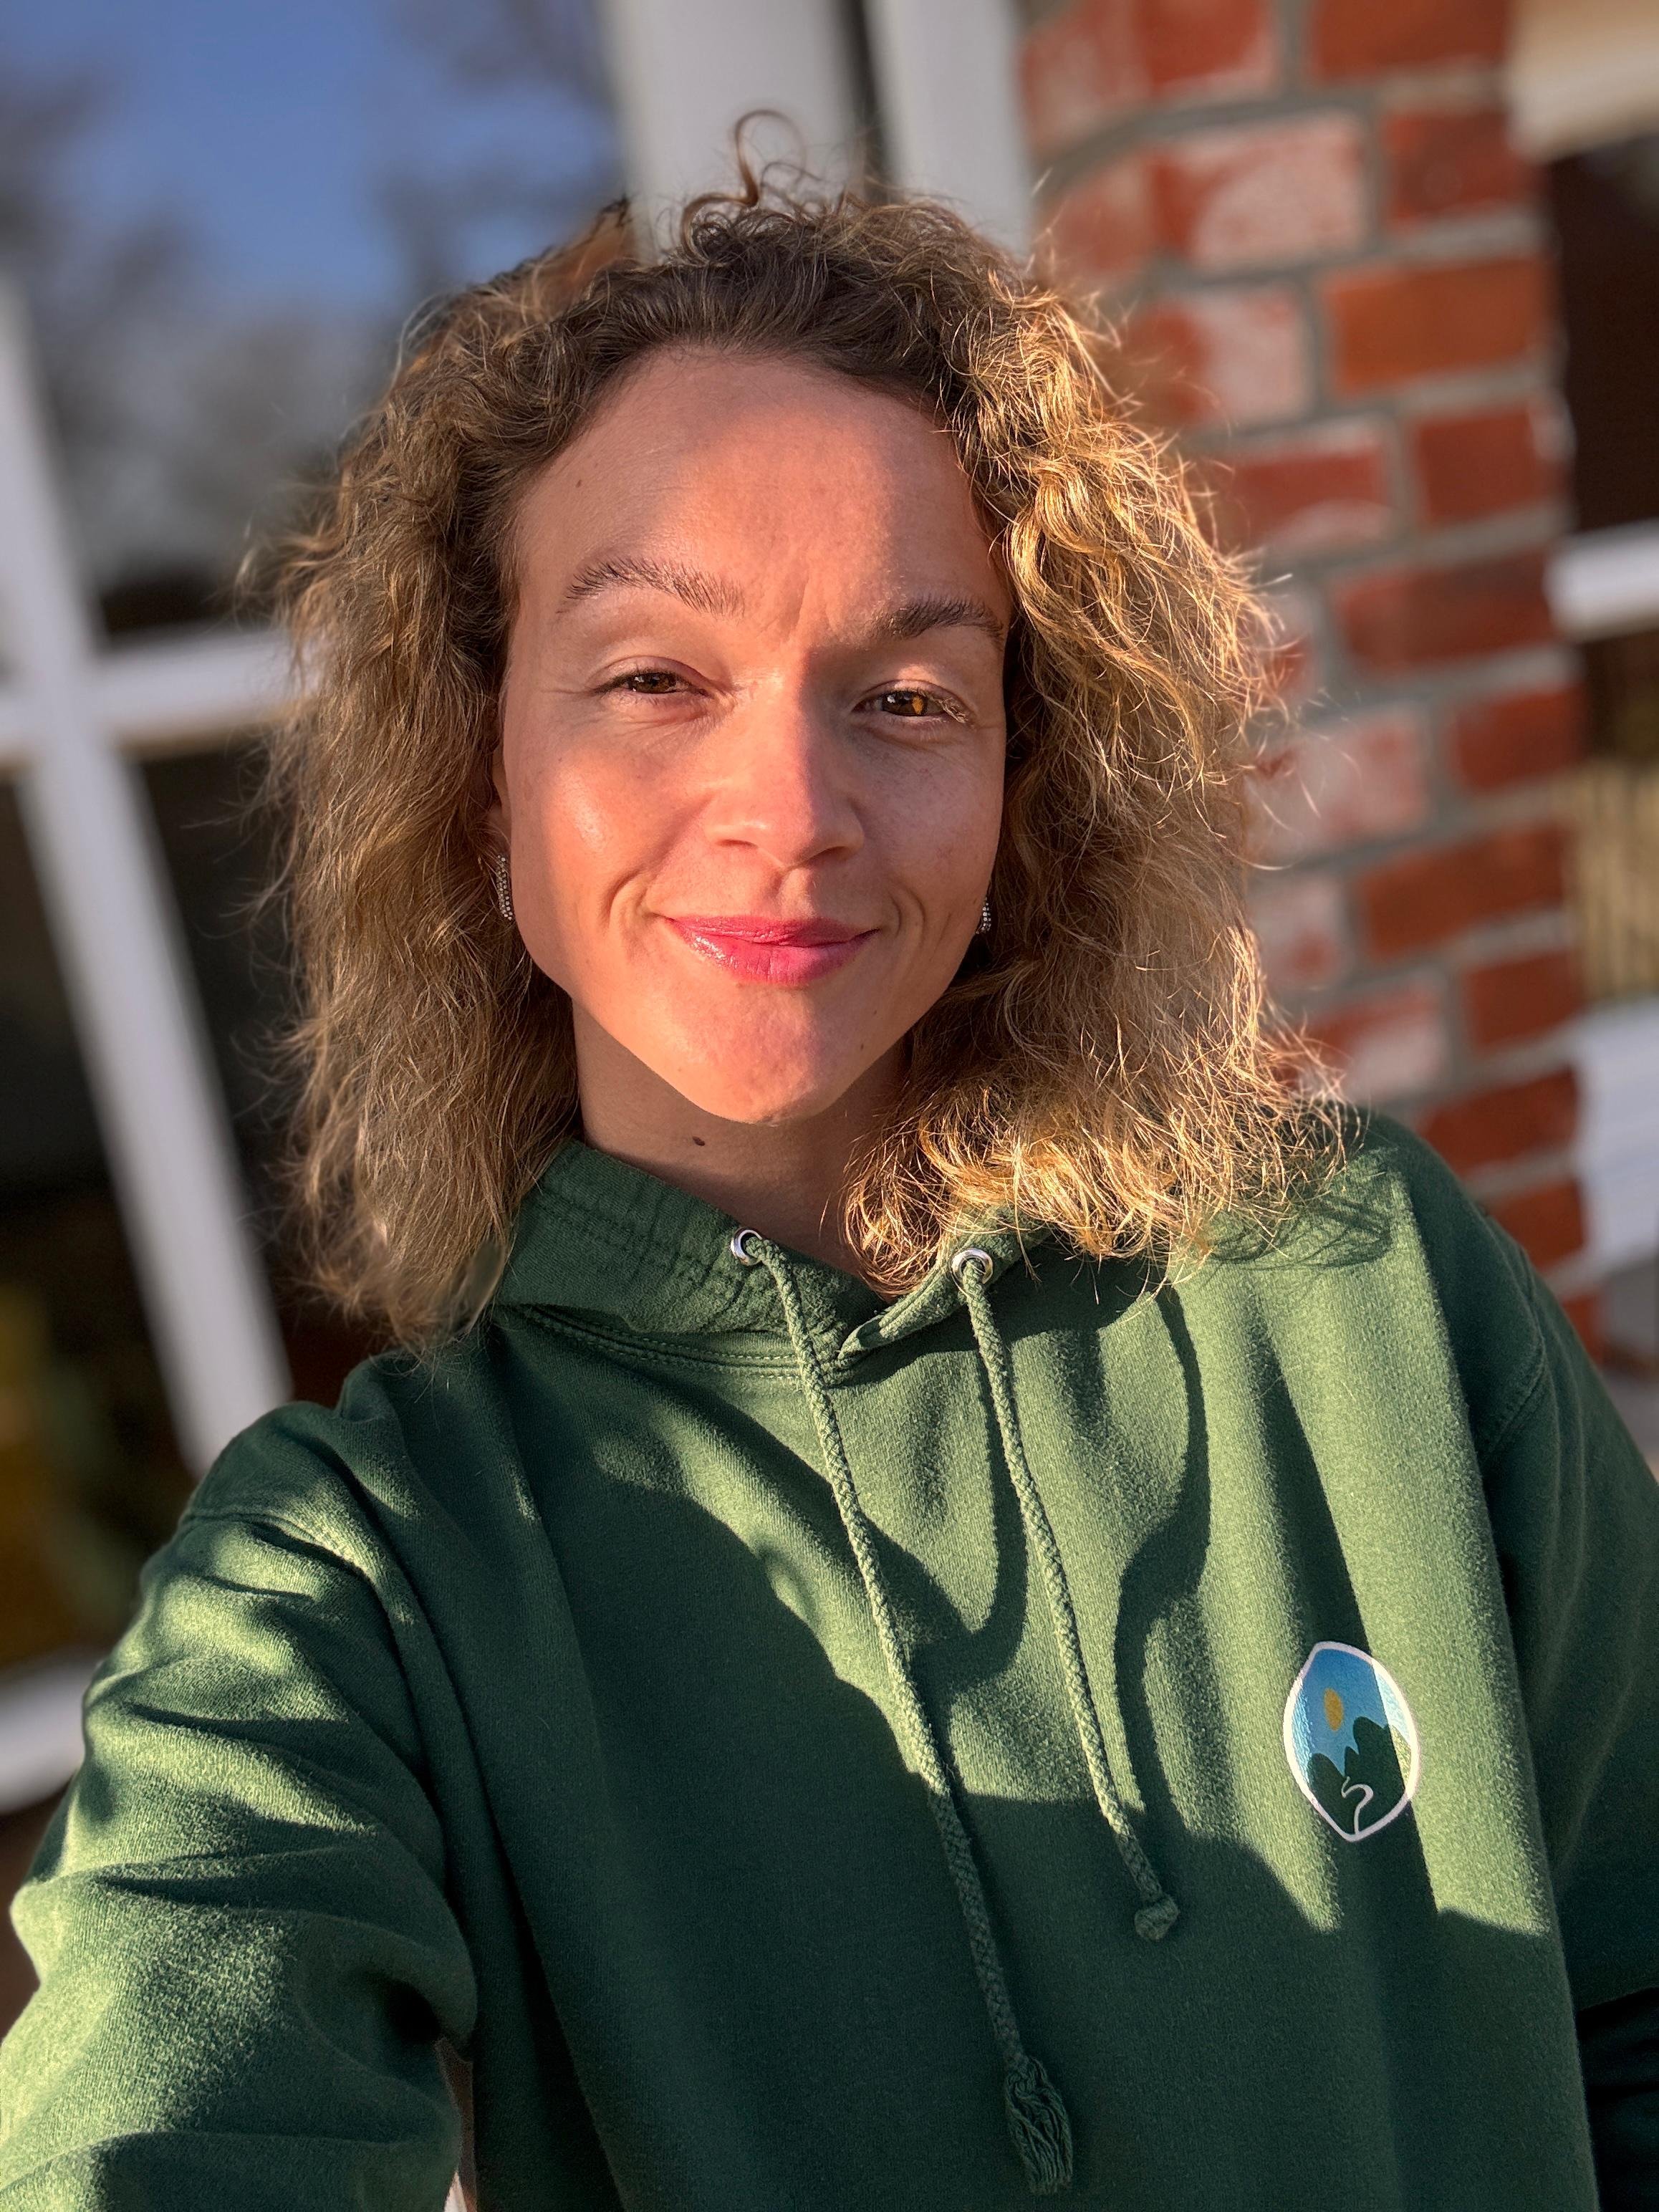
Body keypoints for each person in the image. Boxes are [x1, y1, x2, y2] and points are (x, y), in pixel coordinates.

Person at [1, 169, 1655, 2212]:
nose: (788, 811)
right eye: (650, 678)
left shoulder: (1359, 1285)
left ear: (1020, 802)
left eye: (905, 698)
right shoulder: (372, 1582)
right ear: (481, 793)